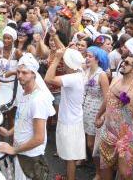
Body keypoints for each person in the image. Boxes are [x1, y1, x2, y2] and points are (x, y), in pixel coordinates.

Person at [0, 54, 54, 180]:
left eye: (24, 73)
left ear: (34, 74)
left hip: (30, 157)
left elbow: (39, 138)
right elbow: (23, 120)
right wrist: (9, 132)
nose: (20, 76)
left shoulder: (38, 100)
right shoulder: (24, 92)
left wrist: (14, 150)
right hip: (21, 152)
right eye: (18, 72)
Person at [45, 47, 86, 180]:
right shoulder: (80, 72)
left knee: (70, 158)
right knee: (69, 156)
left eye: (64, 61)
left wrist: (56, 58)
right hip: (73, 120)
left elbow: (48, 79)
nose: (62, 63)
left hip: (69, 123)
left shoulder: (72, 78)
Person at [82, 45, 109, 175]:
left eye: (90, 56)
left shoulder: (101, 75)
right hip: (84, 109)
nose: (87, 58)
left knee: (92, 144)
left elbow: (107, 97)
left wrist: (102, 115)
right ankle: (85, 161)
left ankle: (99, 172)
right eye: (86, 55)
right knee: (85, 140)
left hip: (95, 112)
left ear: (97, 60)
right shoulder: (86, 71)